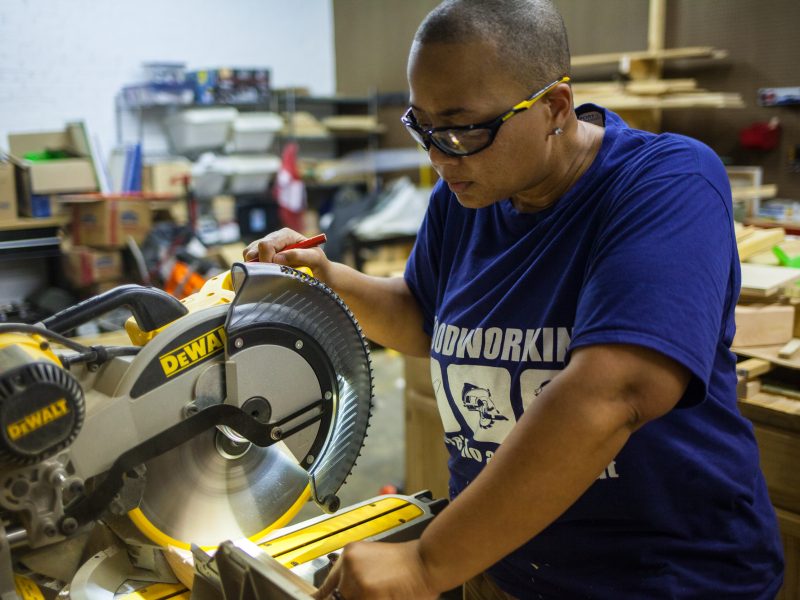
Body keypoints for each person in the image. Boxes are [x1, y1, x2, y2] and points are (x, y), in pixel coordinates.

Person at [245, 0, 784, 597]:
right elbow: (423, 316)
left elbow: (616, 391)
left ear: (554, 108)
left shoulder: (667, 182)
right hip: (504, 563)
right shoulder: (467, 194)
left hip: (662, 579)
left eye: (462, 129)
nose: (438, 157)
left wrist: (426, 564)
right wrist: (326, 278)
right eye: (422, 128)